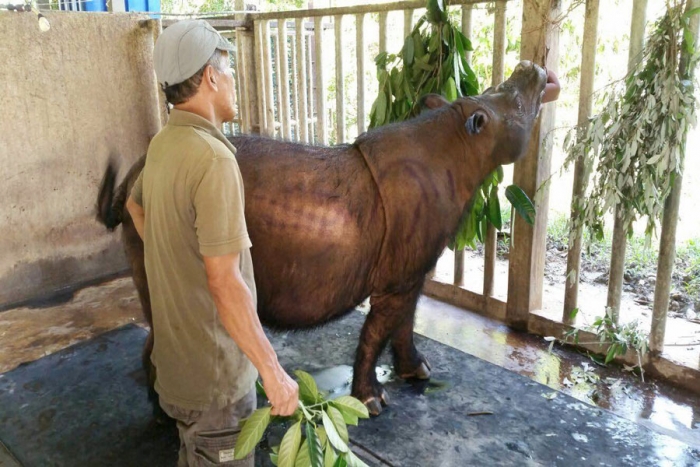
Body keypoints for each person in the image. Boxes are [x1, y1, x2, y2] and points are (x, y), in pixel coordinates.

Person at [126, 20, 298, 467]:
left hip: (178, 371)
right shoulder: (213, 159)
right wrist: (272, 371)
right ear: (209, 77)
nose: (233, 80)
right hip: (214, 384)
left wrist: (174, 257)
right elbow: (225, 284)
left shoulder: (164, 143)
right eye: (229, 69)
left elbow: (134, 204)